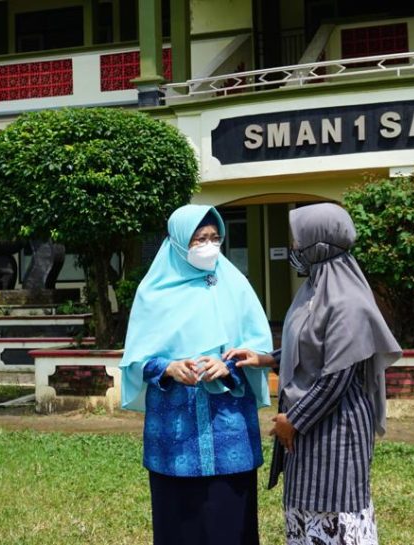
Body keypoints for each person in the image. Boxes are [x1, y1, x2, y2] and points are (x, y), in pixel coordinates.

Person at [226, 202, 401, 545]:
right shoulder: (314, 290)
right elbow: (309, 346)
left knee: (335, 508)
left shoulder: (348, 301)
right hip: (309, 424)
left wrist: (294, 421)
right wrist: (266, 359)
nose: (294, 249)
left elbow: (336, 375)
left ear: (318, 246)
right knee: (306, 510)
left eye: (298, 242)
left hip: (336, 426)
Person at [120, 204, 274, 545]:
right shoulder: (153, 292)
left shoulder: (234, 283)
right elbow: (135, 360)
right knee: (179, 524)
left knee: (230, 523)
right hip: (175, 434)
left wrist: (228, 365)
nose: (208, 245)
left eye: (214, 237)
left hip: (228, 425)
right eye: (199, 239)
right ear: (177, 242)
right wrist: (169, 368)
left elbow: (259, 347)